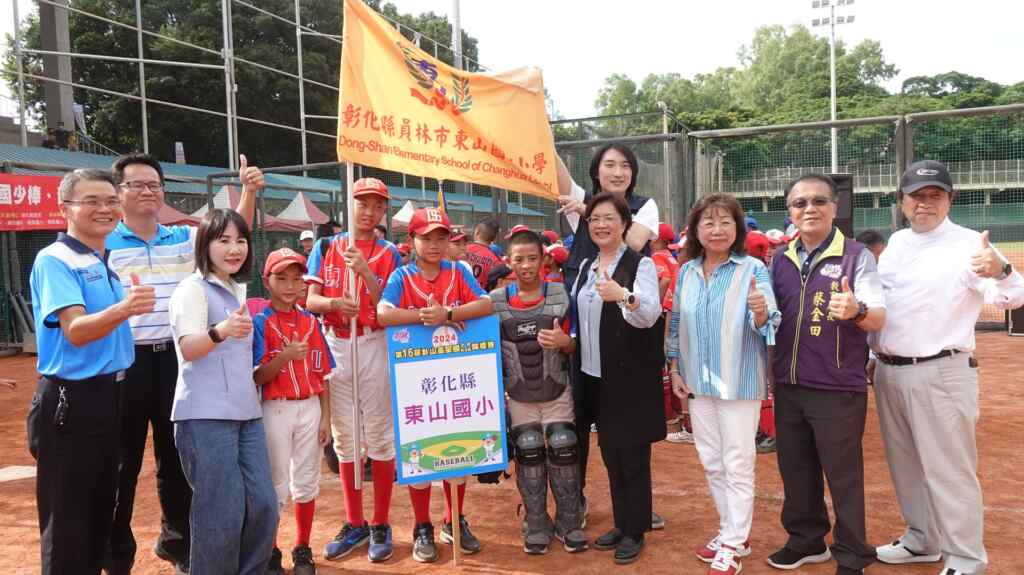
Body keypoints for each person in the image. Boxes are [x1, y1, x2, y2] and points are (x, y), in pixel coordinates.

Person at [105, 152, 260, 574]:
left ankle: (179, 545)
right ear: (118, 192)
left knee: (175, 461)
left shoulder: (179, 239)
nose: (148, 191)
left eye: (154, 184)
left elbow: (229, 236)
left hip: (177, 363)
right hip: (125, 365)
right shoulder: (104, 245)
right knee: (121, 464)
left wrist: (247, 191)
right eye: (137, 184)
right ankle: (116, 554)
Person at [871, 160, 1024, 575]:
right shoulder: (898, 243)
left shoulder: (971, 243)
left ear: (949, 199)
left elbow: (1012, 296)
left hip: (942, 370)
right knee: (905, 464)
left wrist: (1004, 270)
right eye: (916, 196)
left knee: (949, 470)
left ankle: (966, 557)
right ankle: (922, 540)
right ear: (902, 201)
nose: (925, 203)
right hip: (888, 371)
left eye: (934, 195)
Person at [27, 169, 155, 574]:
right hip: (73, 401)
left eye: (110, 200)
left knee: (100, 510)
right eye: (92, 201)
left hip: (109, 396)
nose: (104, 209)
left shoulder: (100, 258)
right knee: (68, 522)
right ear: (65, 207)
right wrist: (126, 308)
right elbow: (76, 331)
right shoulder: (56, 260)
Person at [767, 173, 885, 575]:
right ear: (790, 213)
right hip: (789, 384)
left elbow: (879, 316)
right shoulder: (779, 260)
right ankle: (806, 540)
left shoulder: (856, 257)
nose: (809, 209)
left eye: (819, 201)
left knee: (843, 475)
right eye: (800, 203)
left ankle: (852, 553)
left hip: (838, 387)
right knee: (795, 468)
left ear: (835, 208)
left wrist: (858, 311)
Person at [667, 194, 779, 575]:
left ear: (738, 229)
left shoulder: (753, 269)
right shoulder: (687, 272)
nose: (717, 229)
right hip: (697, 380)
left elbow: (770, 321)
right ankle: (732, 531)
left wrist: (762, 313)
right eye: (709, 222)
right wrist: (675, 367)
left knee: (738, 461)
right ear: (696, 230)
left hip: (739, 380)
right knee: (712, 460)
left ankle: (732, 542)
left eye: (725, 222)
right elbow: (677, 322)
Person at [555, 144, 665, 530]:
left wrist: (592, 215)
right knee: (581, 435)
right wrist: (537, 119)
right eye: (608, 165)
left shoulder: (643, 213)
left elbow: (631, 242)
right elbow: (556, 176)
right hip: (587, 357)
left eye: (624, 166)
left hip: (625, 355)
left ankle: (634, 519)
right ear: (596, 172)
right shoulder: (585, 260)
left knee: (627, 444)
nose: (617, 172)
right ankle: (583, 503)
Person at [377, 207, 493, 563]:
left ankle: (453, 519)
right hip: (417, 379)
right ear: (412, 240)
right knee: (421, 456)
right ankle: (422, 525)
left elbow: (486, 303)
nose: (434, 244)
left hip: (456, 377)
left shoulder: (458, 271)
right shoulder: (402, 275)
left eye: (441, 237)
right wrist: (425, 317)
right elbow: (384, 314)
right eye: (426, 237)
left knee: (459, 453)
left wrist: (450, 314)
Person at [167, 208, 278, 574]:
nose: (234, 249)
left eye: (241, 240)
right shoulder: (192, 289)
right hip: (204, 416)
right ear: (205, 244)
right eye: (224, 240)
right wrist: (222, 330)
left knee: (263, 503)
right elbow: (189, 348)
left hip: (246, 413)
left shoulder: (235, 290)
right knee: (221, 511)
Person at [305, 177, 403, 564]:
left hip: (373, 341)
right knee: (346, 437)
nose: (370, 211)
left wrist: (365, 272)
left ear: (383, 211)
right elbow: (310, 299)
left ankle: (380, 522)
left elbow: (388, 306)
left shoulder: (388, 252)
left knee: (379, 433)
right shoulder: (327, 246)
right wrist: (332, 304)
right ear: (350, 203)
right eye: (363, 203)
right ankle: (354, 520)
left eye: (377, 205)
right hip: (337, 343)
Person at [493, 229, 588, 555]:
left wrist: (565, 343)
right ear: (508, 262)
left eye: (532, 258)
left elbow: (577, 343)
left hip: (557, 391)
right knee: (529, 449)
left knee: (563, 445)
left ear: (544, 259)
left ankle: (569, 520)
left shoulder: (561, 296)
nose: (526, 266)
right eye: (518, 259)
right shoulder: (496, 302)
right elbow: (469, 327)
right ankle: (536, 521)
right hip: (519, 395)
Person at [252, 248, 334, 575]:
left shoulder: (311, 321)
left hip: (309, 407)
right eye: (280, 278)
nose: (289, 285)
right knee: (275, 483)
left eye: (296, 278)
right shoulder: (261, 321)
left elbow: (324, 376)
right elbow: (258, 376)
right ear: (266, 281)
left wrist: (326, 417)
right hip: (276, 407)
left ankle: (302, 547)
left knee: (306, 480)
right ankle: (271, 549)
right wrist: (285, 356)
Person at [466, 218, 503, 288]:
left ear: (477, 232)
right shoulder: (496, 261)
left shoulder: (462, 250)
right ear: (494, 238)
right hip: (481, 297)